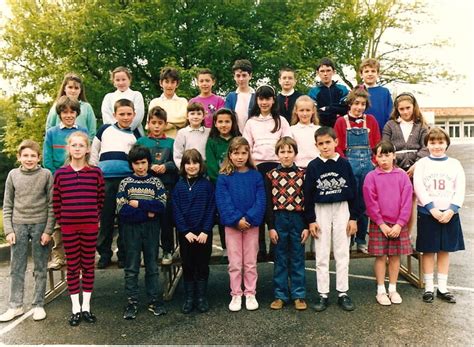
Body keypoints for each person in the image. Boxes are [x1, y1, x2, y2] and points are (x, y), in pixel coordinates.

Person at [303, 127, 359, 312]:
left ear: (336, 142)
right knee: (322, 252)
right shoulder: (313, 166)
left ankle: (343, 292)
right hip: (321, 210)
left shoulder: (344, 164)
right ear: (316, 145)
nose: (325, 146)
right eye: (321, 143)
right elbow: (308, 195)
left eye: (328, 142)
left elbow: (353, 192)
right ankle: (323, 294)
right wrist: (311, 220)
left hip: (342, 207)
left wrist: (353, 218)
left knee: (342, 252)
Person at [52, 132, 105, 326]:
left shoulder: (95, 173)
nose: (77, 148)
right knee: (73, 267)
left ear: (87, 149)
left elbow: (100, 198)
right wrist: (64, 220)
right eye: (73, 145)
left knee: (88, 265)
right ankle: (75, 308)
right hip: (69, 227)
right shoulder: (60, 174)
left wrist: (93, 216)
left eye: (80, 145)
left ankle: (86, 307)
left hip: (90, 225)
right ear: (68, 148)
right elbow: (56, 201)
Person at [0, 140, 54, 322]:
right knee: (17, 267)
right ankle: (15, 306)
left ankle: (38, 304)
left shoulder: (46, 174)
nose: (29, 159)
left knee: (40, 266)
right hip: (18, 225)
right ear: (19, 157)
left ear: (39, 157)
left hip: (40, 225)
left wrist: (48, 230)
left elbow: (52, 205)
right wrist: (8, 230)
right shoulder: (13, 175)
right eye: (25, 156)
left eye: (33, 156)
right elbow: (7, 205)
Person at [414, 127, 465, 304]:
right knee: (429, 250)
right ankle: (429, 287)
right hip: (428, 214)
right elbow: (419, 187)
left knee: (445, 250)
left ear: (446, 144)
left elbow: (460, 188)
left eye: (440, 142)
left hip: (449, 214)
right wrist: (432, 209)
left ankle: (442, 287)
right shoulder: (422, 164)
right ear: (427, 144)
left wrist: (451, 209)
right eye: (432, 142)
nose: (436, 146)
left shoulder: (454, 164)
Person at [117, 145, 167, 320]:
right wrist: (147, 212)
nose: (140, 167)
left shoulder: (156, 183)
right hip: (131, 230)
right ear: (131, 164)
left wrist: (138, 204)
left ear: (149, 163)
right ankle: (132, 302)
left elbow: (160, 206)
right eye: (136, 163)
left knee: (152, 266)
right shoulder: (125, 183)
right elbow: (122, 210)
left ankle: (154, 300)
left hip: (152, 230)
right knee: (132, 267)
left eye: (143, 163)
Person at [215, 137, 266, 312]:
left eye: (244, 153)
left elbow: (261, 200)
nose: (240, 157)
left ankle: (250, 292)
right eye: (236, 153)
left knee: (250, 262)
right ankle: (236, 293)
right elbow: (223, 201)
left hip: (251, 225)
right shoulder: (224, 177)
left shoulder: (256, 175)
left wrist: (249, 218)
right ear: (230, 154)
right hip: (232, 225)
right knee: (235, 262)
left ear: (248, 154)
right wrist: (236, 219)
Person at [243, 85, 292, 261]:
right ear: (257, 100)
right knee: (259, 205)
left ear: (273, 100)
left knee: (275, 206)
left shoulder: (281, 121)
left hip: (277, 168)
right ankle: (260, 247)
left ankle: (275, 246)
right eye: (261, 99)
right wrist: (252, 165)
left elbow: (288, 142)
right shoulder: (251, 122)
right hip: (257, 167)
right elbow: (247, 146)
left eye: (268, 98)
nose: (264, 102)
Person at [90, 99, 141, 269]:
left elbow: (137, 159)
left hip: (125, 181)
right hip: (105, 180)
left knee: (125, 218)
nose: (125, 117)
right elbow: (94, 151)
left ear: (134, 115)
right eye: (122, 114)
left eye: (129, 114)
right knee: (106, 218)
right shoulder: (104, 130)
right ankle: (104, 254)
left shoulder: (135, 135)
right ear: (115, 115)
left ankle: (123, 254)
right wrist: (95, 172)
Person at [363, 140, 413, 306]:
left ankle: (392, 288)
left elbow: (407, 202)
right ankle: (380, 290)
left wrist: (399, 224)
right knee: (380, 256)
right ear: (375, 158)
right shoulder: (371, 177)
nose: (384, 159)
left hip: (398, 224)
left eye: (387, 155)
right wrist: (381, 224)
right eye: (380, 155)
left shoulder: (402, 176)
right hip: (380, 225)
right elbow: (371, 203)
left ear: (393, 155)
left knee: (395, 257)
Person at [43, 96, 88, 270]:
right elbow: (47, 159)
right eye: (64, 112)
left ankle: (81, 255)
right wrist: (59, 176)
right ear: (59, 113)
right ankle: (59, 256)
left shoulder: (82, 131)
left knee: (79, 214)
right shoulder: (52, 132)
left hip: (79, 179)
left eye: (72, 112)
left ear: (77, 113)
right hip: (59, 181)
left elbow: (85, 154)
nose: (68, 115)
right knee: (58, 218)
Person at [334, 86, 381, 253]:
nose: (359, 107)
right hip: (349, 166)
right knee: (349, 203)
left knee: (365, 203)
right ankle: (349, 238)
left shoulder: (371, 121)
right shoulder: (341, 121)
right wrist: (344, 164)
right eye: (356, 103)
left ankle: (361, 239)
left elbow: (377, 143)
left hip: (368, 167)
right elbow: (337, 146)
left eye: (362, 104)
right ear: (350, 104)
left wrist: (375, 162)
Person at [265, 137, 309, 311]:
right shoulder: (270, 175)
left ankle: (299, 295)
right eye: (282, 152)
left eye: (289, 151)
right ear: (277, 154)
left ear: (295, 154)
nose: (286, 155)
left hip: (297, 218)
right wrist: (271, 227)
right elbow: (268, 202)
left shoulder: (302, 174)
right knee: (280, 258)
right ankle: (280, 295)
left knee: (297, 257)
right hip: (279, 218)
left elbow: (307, 200)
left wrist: (306, 225)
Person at [172, 149, 215, 314]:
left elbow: (211, 208)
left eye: (195, 162)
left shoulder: (207, 185)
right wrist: (185, 231)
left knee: (202, 265)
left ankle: (201, 298)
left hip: (203, 234)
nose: (191, 166)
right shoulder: (179, 186)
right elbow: (176, 210)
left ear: (200, 164)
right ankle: (189, 298)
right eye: (188, 163)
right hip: (186, 235)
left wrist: (205, 230)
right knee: (188, 265)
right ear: (183, 165)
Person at [136, 106, 178, 266]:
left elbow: (178, 162)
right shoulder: (141, 141)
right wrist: (149, 166)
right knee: (147, 221)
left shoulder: (171, 142)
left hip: (166, 187)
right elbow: (135, 159)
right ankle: (149, 251)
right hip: (146, 187)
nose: (157, 126)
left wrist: (166, 166)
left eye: (160, 123)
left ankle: (168, 250)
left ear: (165, 124)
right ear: (148, 124)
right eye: (153, 122)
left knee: (166, 220)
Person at [382, 92, 429, 233]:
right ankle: (395, 232)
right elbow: (385, 146)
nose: (405, 112)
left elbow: (426, 146)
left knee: (411, 202)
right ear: (397, 109)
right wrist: (394, 166)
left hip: (416, 168)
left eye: (408, 108)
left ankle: (407, 235)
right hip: (395, 167)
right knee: (396, 202)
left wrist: (417, 164)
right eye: (401, 109)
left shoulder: (421, 126)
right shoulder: (390, 125)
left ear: (414, 107)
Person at [205, 108, 241, 263]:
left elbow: (242, 160)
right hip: (219, 185)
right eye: (220, 121)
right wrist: (222, 180)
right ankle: (226, 247)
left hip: (237, 184)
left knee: (238, 213)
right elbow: (212, 165)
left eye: (227, 121)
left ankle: (239, 246)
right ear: (215, 123)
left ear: (232, 123)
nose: (224, 124)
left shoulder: (237, 139)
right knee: (223, 215)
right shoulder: (212, 141)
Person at [45, 72, 97, 140]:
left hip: (81, 147)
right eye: (70, 87)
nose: (73, 91)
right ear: (64, 88)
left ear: (80, 90)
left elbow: (92, 131)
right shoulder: (56, 106)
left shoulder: (86, 107)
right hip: (60, 146)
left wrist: (87, 145)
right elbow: (49, 127)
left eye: (76, 88)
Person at [101, 66, 145, 135]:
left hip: (134, 133)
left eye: (123, 79)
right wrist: (117, 130)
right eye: (117, 80)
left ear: (129, 80)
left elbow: (138, 116)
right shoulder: (108, 97)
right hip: (113, 134)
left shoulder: (136, 95)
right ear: (113, 82)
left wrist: (126, 129)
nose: (121, 83)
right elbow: (106, 117)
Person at [307, 57, 349, 127]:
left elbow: (345, 109)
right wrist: (336, 109)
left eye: (328, 70)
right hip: (321, 126)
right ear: (317, 73)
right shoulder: (313, 92)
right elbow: (315, 112)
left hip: (341, 125)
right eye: (322, 71)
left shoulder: (343, 89)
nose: (325, 74)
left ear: (334, 72)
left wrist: (327, 108)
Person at [148, 67, 188, 138]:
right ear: (161, 83)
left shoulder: (183, 101)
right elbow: (150, 125)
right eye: (166, 82)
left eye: (173, 82)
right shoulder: (154, 102)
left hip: (179, 141)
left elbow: (184, 120)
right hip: (158, 143)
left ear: (177, 84)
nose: (169, 85)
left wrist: (162, 121)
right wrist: (175, 124)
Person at [359, 58, 393, 131]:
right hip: (361, 132)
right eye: (366, 71)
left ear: (378, 74)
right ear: (361, 74)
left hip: (381, 131)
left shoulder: (385, 92)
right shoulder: (357, 91)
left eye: (373, 71)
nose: (370, 74)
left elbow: (390, 114)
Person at [173, 102, 210, 168]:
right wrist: (184, 169)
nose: (195, 117)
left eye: (199, 114)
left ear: (203, 116)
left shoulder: (208, 132)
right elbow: (177, 155)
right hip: (188, 169)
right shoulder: (182, 133)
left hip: (205, 170)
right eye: (192, 114)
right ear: (187, 116)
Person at [224, 59, 256, 133]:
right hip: (235, 136)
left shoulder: (257, 96)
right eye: (238, 76)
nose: (241, 79)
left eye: (244, 75)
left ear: (250, 76)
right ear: (234, 77)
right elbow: (227, 117)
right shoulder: (231, 97)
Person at [290, 95, 321, 168]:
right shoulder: (291, 130)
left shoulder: (319, 130)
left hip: (316, 167)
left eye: (308, 110)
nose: (304, 114)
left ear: (313, 111)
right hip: (297, 168)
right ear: (296, 111)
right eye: (301, 110)